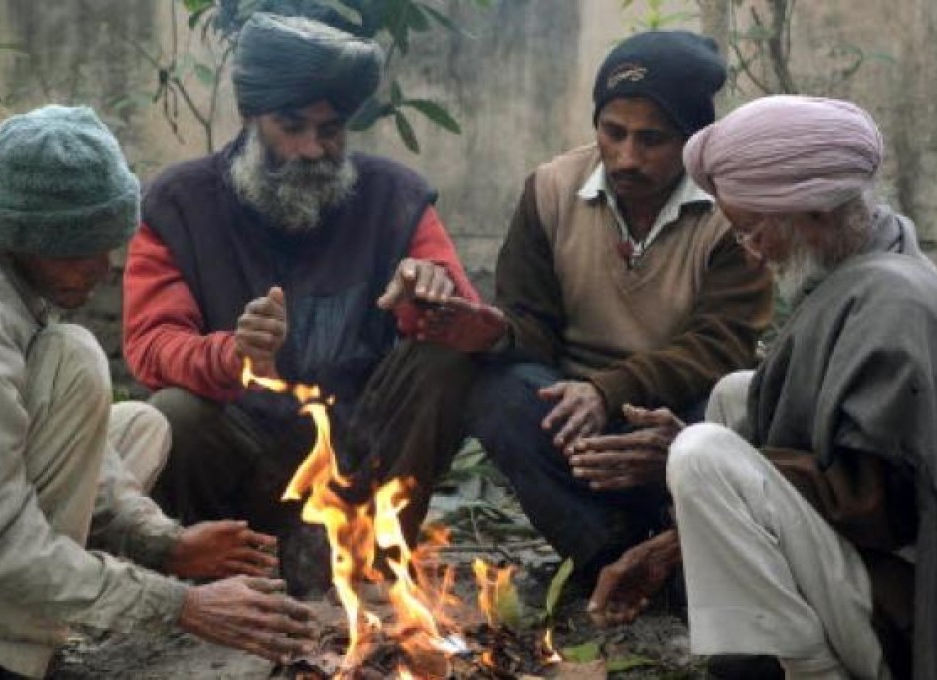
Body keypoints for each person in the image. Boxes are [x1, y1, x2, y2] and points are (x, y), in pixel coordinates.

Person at [0, 105, 317, 679]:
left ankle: (16, 618)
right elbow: (1, 541)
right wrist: (181, 605)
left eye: (107, 245)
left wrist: (163, 543)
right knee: (78, 362)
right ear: (25, 239)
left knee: (141, 425)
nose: (102, 269)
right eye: (79, 251)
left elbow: (61, 445)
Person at [587, 95, 935, 679]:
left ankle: (809, 668)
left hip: (900, 611)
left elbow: (879, 506)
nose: (750, 251)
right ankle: (756, 650)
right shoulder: (877, 250)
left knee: (701, 452)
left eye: (751, 230)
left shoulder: (892, 301)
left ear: (814, 213)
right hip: (862, 571)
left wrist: (691, 480)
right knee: (733, 394)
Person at [122, 12, 478, 573]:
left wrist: (428, 300)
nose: (314, 149)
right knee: (173, 414)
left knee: (445, 361)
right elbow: (150, 344)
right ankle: (216, 567)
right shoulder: (179, 205)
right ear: (250, 116)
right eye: (293, 127)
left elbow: (471, 324)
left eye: (331, 130)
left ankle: (374, 560)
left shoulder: (395, 198)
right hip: (242, 458)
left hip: (359, 459)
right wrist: (232, 354)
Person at [418, 31, 772, 586]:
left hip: (673, 412)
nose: (628, 156)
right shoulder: (550, 190)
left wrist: (611, 389)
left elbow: (721, 344)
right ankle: (606, 554)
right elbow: (533, 327)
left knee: (733, 410)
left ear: (692, 138)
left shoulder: (731, 211)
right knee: (498, 393)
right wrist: (496, 333)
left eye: (652, 139)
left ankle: (679, 548)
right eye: (614, 132)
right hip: (573, 412)